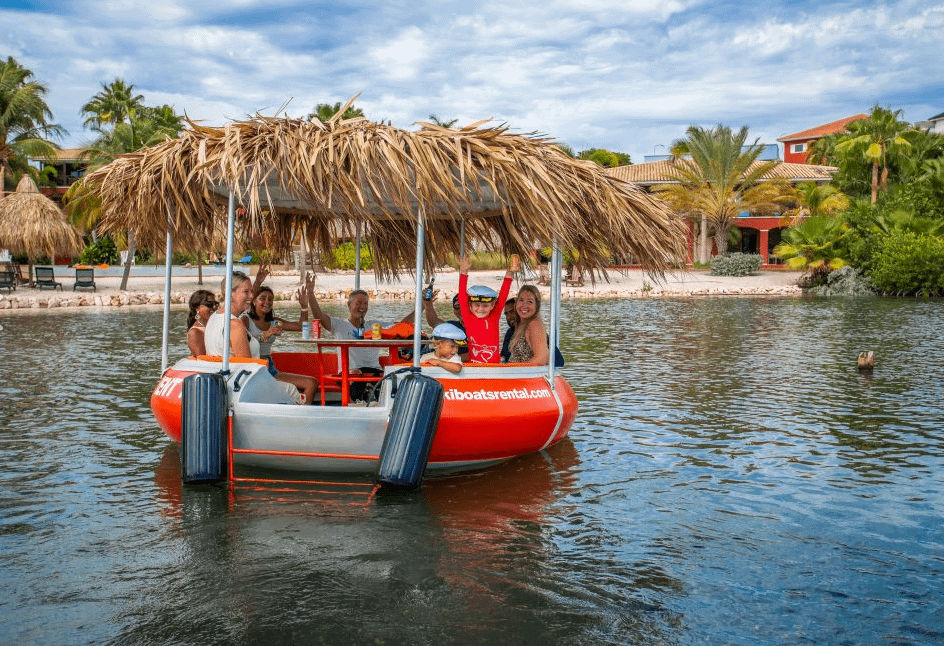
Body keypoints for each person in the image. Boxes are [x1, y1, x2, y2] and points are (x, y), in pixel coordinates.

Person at [309, 288, 414, 401]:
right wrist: (310, 294)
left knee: (392, 377)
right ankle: (359, 402)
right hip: (349, 372)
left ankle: (375, 402)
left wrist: (422, 305)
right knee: (356, 374)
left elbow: (402, 325)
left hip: (373, 371)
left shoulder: (375, 326)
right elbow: (319, 316)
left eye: (365, 303)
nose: (362, 307)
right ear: (349, 305)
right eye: (358, 303)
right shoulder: (339, 324)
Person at [242, 275, 318, 405]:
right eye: (263, 298)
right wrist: (266, 334)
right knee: (307, 385)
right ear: (254, 301)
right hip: (253, 369)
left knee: (311, 383)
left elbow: (300, 326)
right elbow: (240, 340)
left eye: (270, 299)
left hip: (269, 368)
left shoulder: (274, 321)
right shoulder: (246, 320)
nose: (267, 302)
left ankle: (302, 419)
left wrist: (304, 307)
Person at [458, 255, 513, 363]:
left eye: (485, 306)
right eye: (477, 305)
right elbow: (462, 298)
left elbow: (502, 297)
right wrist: (464, 272)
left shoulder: (494, 316)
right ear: (470, 305)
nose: (480, 309)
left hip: (494, 368)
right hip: (475, 367)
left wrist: (509, 273)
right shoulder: (468, 317)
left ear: (492, 305)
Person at [204, 271, 260, 359]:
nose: (251, 296)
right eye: (246, 292)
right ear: (230, 293)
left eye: (252, 291)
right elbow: (246, 365)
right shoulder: (234, 324)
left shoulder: (214, 316)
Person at [507, 285, 550, 366]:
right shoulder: (521, 325)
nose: (524, 305)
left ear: (537, 306)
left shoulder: (534, 324)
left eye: (530, 301)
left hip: (526, 376)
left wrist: (517, 372)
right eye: (521, 300)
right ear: (516, 303)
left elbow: (541, 359)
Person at [422, 291, 468, 360]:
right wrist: (428, 303)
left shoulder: (487, 326)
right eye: (457, 306)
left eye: (466, 306)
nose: (462, 309)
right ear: (454, 310)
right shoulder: (452, 326)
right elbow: (433, 321)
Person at [186, 289, 217, 357]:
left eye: (215, 304)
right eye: (209, 304)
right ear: (197, 308)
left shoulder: (214, 326)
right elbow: (201, 360)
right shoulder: (195, 332)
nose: (214, 307)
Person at [500, 297, 516, 363]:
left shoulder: (532, 330)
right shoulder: (510, 332)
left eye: (512, 312)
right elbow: (503, 356)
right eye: (506, 314)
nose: (509, 317)